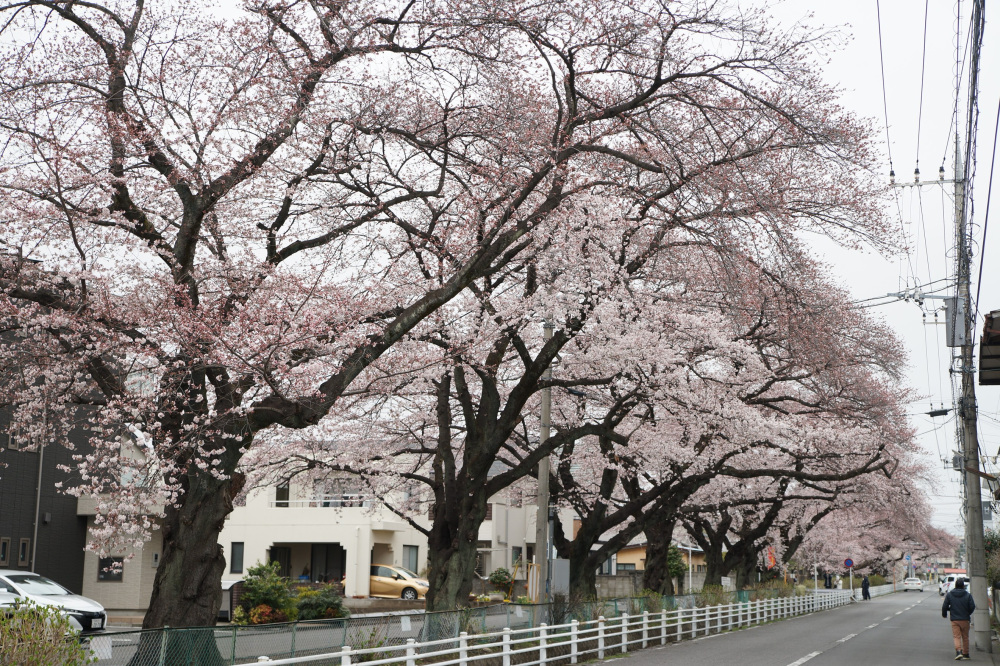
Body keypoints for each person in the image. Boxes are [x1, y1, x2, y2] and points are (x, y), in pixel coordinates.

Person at [942, 578, 975, 660]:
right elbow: (972, 606)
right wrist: (968, 613)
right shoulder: (968, 595)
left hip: (955, 619)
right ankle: (966, 654)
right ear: (963, 585)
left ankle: (958, 652)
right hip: (965, 619)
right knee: (965, 637)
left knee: (956, 636)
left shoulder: (950, 594)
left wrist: (944, 614)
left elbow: (945, 605)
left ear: (956, 585)